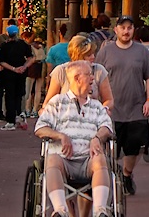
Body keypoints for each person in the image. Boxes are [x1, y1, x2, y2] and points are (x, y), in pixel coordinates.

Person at [35, 60, 114, 217]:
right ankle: (60, 210)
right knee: (52, 159)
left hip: (88, 159)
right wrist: (60, 135)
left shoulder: (97, 106)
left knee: (100, 158)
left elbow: (107, 127)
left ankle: (100, 211)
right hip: (63, 160)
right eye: (88, 75)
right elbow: (40, 128)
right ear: (77, 78)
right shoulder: (57, 102)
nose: (92, 78)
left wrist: (97, 138)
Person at [96, 14, 149, 196]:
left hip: (136, 106)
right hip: (111, 108)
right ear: (116, 30)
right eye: (122, 27)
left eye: (129, 27)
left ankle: (127, 174)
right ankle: (109, 175)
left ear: (133, 30)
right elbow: (96, 77)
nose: (126, 31)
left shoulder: (142, 52)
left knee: (135, 146)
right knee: (109, 146)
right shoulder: (106, 52)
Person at [43, 33, 113, 108]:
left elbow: (108, 100)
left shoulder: (99, 70)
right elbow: (48, 102)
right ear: (77, 56)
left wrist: (103, 110)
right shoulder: (61, 71)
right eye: (88, 55)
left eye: (93, 53)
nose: (93, 57)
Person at [0, 23, 33, 129]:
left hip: (9, 74)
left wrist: (13, 69)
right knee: (19, 95)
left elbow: (2, 62)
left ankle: (11, 120)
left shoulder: (4, 46)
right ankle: (20, 114)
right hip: (21, 74)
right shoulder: (23, 44)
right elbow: (31, 57)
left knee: (9, 96)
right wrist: (24, 66)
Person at [25, 36, 46, 118]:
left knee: (28, 90)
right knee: (38, 90)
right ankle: (35, 110)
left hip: (30, 68)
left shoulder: (29, 47)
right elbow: (44, 58)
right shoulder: (41, 48)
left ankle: (27, 109)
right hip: (39, 68)